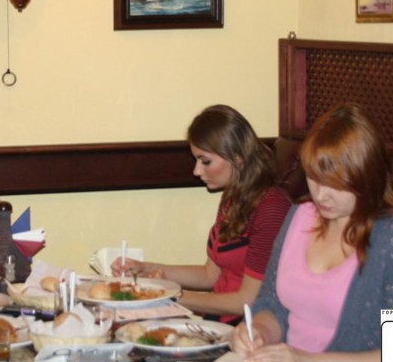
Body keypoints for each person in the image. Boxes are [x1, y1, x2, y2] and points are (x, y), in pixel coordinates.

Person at [228, 103, 393, 362]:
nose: (321, 194)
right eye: (314, 177)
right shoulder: (299, 216)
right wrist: (259, 332)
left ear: (366, 175)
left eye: (336, 183)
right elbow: (273, 302)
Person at [113, 104, 291, 323]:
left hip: (248, 328)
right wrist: (147, 269)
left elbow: (247, 301)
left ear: (237, 157)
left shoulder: (271, 209)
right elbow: (210, 275)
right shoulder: (233, 197)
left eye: (206, 161)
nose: (196, 171)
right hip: (219, 321)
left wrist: (170, 296)